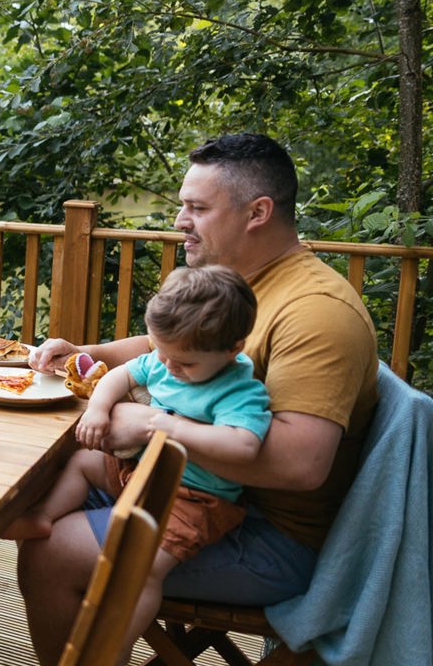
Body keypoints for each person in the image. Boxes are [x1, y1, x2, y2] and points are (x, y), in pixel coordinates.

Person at [24, 133, 378, 664]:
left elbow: (302, 466)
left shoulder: (316, 312)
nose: (180, 221)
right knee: (44, 484)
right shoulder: (240, 282)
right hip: (193, 491)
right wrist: (86, 351)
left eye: (197, 208)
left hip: (265, 533)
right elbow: (161, 348)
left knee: (52, 551)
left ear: (257, 212)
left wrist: (149, 424)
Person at [4, 265, 272, 661]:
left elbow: (244, 446)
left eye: (184, 363)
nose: (168, 368)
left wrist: (165, 425)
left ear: (232, 349)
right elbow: (123, 375)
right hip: (142, 471)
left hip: (193, 499)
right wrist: (98, 409)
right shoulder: (171, 357)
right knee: (83, 461)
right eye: (162, 353)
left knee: (141, 570)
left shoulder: (239, 391)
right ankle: (43, 515)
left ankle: (110, 645)